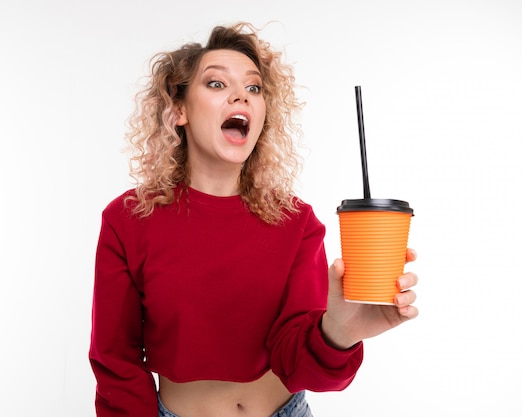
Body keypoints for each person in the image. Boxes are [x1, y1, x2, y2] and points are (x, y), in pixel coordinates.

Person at [89, 22, 418, 417]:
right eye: (216, 84)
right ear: (178, 111)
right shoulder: (128, 220)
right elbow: (116, 363)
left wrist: (341, 332)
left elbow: (301, 367)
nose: (240, 97)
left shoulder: (297, 222)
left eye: (253, 88)